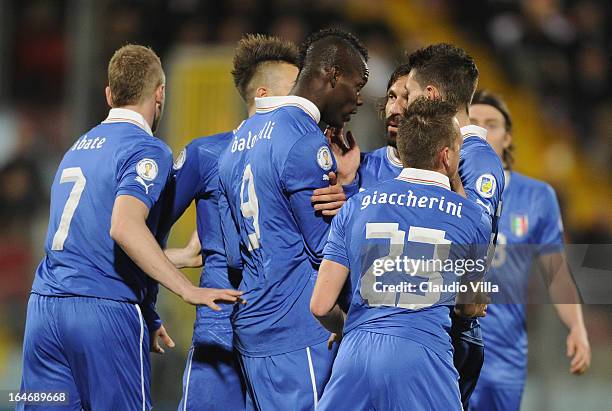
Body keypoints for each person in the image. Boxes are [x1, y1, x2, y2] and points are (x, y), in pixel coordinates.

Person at [18, 44, 241, 410]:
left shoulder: (78, 147)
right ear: (159, 94)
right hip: (103, 313)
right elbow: (124, 228)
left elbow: (91, 245)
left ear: (109, 94)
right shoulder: (146, 149)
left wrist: (176, 260)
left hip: (45, 312)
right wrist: (186, 289)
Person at [313, 44, 505, 407]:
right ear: (445, 157)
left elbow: (321, 305)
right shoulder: (459, 206)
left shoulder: (475, 160)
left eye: (408, 94)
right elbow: (469, 285)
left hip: (417, 339)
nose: (399, 106)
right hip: (421, 342)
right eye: (392, 96)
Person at [217, 28, 368, 411]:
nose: (360, 98)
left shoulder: (240, 138)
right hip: (299, 330)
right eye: (357, 82)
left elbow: (234, 253)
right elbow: (326, 252)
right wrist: (354, 198)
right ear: (332, 74)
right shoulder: (303, 139)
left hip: (252, 327)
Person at [162, 34, 299, 411]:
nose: (304, 100)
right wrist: (180, 258)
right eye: (294, 90)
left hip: (283, 325)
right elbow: (141, 230)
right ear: (263, 95)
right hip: (221, 321)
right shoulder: (206, 153)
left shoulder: (301, 155)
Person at [468, 90, 590, 411]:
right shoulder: (444, 188)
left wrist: (577, 327)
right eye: (473, 122)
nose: (481, 131)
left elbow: (557, 274)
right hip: (448, 346)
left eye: (491, 124)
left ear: (508, 138)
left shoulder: (537, 196)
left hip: (506, 354)